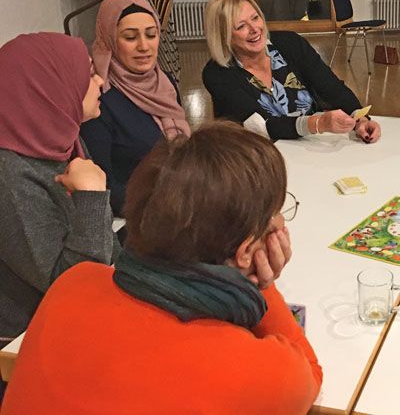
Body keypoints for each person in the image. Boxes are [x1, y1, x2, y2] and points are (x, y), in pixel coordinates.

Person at [2, 122, 321, 413]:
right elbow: (309, 373)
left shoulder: (74, 282)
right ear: (246, 250)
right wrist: (262, 285)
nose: (281, 222)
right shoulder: (261, 371)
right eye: (276, 212)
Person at [0, 33, 116, 341]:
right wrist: (91, 198)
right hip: (29, 340)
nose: (100, 81)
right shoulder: (9, 174)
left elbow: (106, 247)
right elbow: (71, 285)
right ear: (48, 88)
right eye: (88, 74)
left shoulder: (64, 140)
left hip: (78, 317)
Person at [202, 0, 380, 142]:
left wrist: (360, 117)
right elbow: (260, 127)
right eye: (241, 26)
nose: (254, 29)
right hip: (265, 154)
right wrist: (317, 123)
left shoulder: (291, 44)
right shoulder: (217, 74)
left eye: (255, 18)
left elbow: (332, 87)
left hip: (311, 144)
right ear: (224, 36)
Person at [81, 0, 190, 216]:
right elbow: (102, 185)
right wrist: (164, 209)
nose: (144, 46)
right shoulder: (99, 100)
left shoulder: (165, 83)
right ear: (110, 40)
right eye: (130, 37)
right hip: (140, 215)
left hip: (181, 198)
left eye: (151, 35)